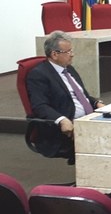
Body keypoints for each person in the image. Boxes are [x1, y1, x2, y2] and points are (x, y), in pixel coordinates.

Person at [26, 30, 104, 161]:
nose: (72, 55)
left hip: (89, 120)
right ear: (54, 54)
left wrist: (97, 103)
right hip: (65, 129)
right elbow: (40, 106)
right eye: (68, 52)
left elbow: (82, 96)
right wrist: (62, 120)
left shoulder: (69, 69)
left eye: (71, 50)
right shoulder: (39, 75)